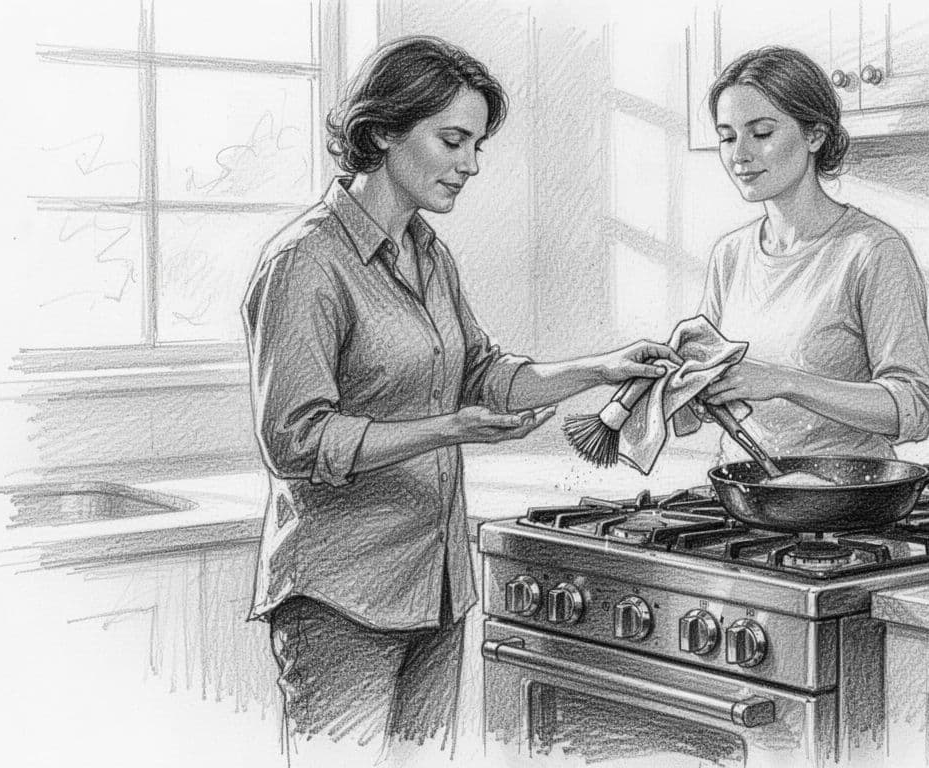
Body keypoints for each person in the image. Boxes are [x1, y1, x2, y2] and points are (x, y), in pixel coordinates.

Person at [241, 36, 679, 764]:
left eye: (476, 143)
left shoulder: (427, 252)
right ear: (382, 131)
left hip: (436, 592)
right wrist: (449, 428)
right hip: (340, 601)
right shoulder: (306, 262)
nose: (471, 164)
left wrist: (602, 368)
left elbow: (482, 372)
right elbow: (296, 442)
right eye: (453, 140)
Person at [697, 46, 929, 459]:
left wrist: (785, 382)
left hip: (848, 500)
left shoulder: (872, 250)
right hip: (747, 495)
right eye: (727, 137)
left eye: (761, 133)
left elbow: (913, 406)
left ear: (815, 135)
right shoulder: (731, 254)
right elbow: (704, 407)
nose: (739, 155)